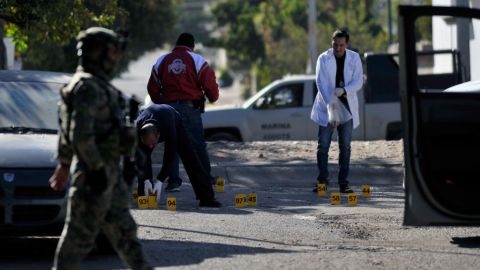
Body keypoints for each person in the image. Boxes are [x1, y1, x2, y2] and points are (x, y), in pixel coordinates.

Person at [49, 27, 152, 270]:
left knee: (125, 233)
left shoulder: (96, 85)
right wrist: (94, 170)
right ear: (98, 53)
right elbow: (78, 134)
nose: (116, 59)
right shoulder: (87, 87)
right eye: (113, 52)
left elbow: (71, 132)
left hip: (107, 175)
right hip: (93, 178)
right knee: (78, 240)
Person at [147, 32, 219, 190]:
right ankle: (206, 178)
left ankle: (173, 181)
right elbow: (210, 84)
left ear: (176, 44)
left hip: (169, 110)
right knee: (198, 145)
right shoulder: (197, 60)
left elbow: (152, 89)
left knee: (172, 144)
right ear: (192, 46)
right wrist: (212, 97)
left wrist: (163, 103)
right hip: (190, 108)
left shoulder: (162, 60)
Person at [135, 104, 221, 207]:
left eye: (153, 143)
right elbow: (140, 158)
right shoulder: (136, 129)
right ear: (141, 137)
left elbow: (169, 154)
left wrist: (160, 180)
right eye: (148, 143)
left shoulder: (169, 127)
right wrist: (146, 180)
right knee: (142, 156)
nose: (151, 147)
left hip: (174, 118)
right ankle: (144, 195)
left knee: (190, 157)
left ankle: (207, 198)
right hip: (151, 120)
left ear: (159, 135)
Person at [311, 29, 363, 193]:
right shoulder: (323, 58)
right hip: (328, 106)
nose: (338, 48)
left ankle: (343, 183)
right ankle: (322, 182)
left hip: (347, 107)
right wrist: (331, 104)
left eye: (341, 45)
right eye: (335, 44)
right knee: (323, 145)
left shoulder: (354, 58)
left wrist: (345, 90)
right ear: (331, 42)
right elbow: (320, 82)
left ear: (347, 44)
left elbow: (358, 82)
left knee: (345, 146)